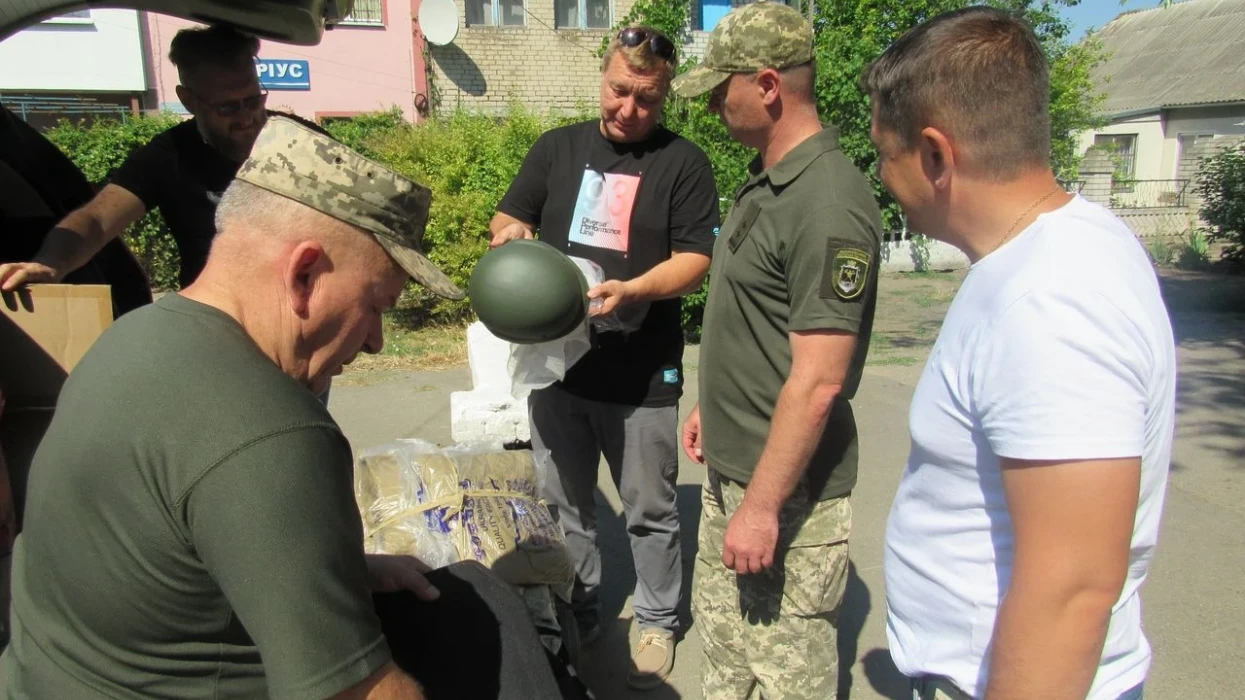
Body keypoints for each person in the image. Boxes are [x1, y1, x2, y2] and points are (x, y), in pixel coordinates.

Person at [0, 114, 567, 700]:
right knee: (488, 621)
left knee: (465, 595)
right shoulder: (271, 431)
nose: (375, 341)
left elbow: (176, 557)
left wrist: (343, 571)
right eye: (376, 305)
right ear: (304, 273)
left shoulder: (131, 337)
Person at [862, 7, 1176, 700]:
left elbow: (1068, 591)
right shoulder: (1057, 250)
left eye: (886, 153)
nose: (883, 178)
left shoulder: (1050, 299)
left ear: (937, 155)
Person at [489, 24, 720, 690]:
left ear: (664, 96)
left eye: (646, 100)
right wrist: (511, 235)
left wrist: (634, 289)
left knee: (648, 508)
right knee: (564, 504)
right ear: (603, 74)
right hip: (557, 366)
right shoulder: (557, 149)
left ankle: (655, 617)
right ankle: (579, 606)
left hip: (641, 370)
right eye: (619, 91)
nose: (628, 110)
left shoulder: (683, 163)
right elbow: (507, 218)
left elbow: (695, 261)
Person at [671, 3, 884, 698]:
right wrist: (713, 401)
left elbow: (820, 380)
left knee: (784, 673)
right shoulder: (768, 180)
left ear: (766, 86)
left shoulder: (825, 203)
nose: (710, 104)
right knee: (730, 657)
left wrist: (762, 508)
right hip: (738, 469)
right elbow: (754, 317)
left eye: (718, 87)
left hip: (784, 494)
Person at [0, 24, 317, 294]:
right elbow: (96, 220)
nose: (247, 118)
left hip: (301, 322)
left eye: (253, 100)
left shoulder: (302, 142)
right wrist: (49, 264)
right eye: (227, 108)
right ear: (188, 100)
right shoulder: (169, 156)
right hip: (215, 324)